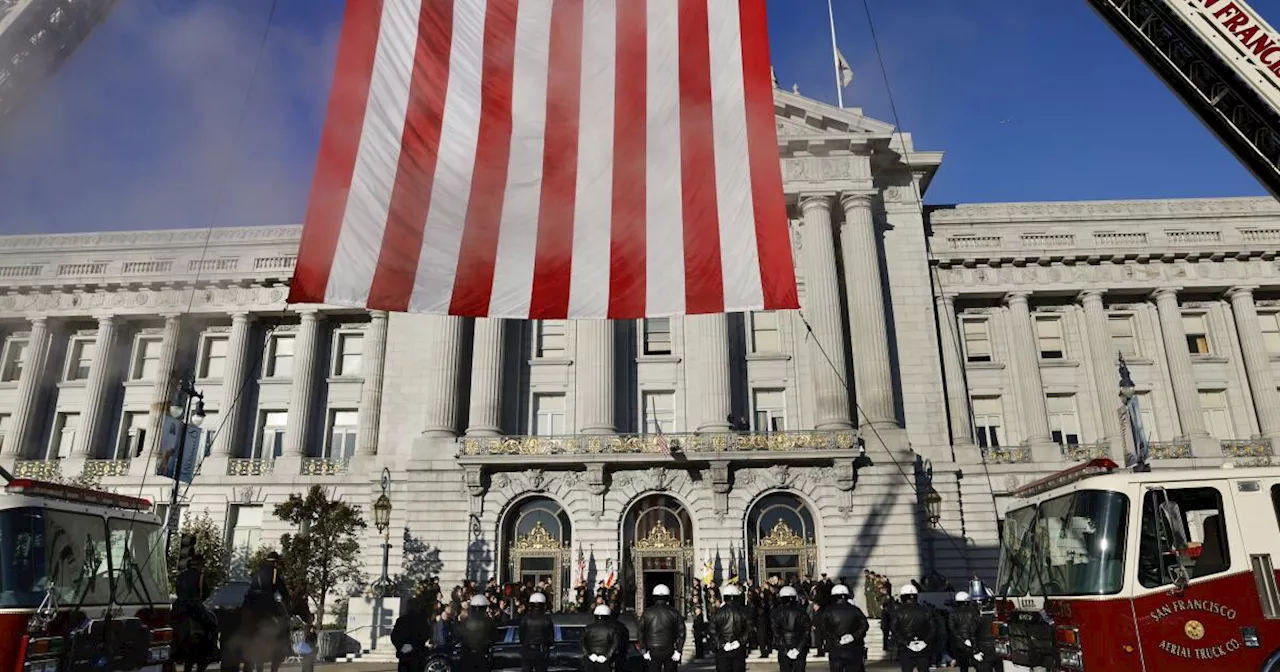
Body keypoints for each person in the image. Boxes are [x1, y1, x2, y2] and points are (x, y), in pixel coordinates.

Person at [816, 584, 868, 672]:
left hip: (836, 649)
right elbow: (864, 626)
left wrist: (836, 639)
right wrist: (853, 636)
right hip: (854, 649)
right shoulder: (855, 610)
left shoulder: (828, 611)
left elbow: (823, 629)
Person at [638, 584, 684, 672]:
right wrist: (678, 650)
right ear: (668, 598)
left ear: (654, 597)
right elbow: (682, 633)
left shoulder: (647, 612)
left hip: (652, 650)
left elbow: (640, 632)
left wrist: (644, 649)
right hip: (670, 649)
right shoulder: (674, 612)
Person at [709, 584, 753, 672]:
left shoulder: (718, 612)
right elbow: (749, 629)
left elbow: (712, 630)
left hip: (723, 650)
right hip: (738, 649)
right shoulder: (744, 612)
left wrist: (722, 643)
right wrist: (740, 641)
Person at [890, 585, 933, 672]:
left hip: (905, 648)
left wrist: (906, 642)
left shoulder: (898, 611)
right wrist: (925, 641)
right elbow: (932, 628)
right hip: (923, 648)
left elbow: (894, 629)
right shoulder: (925, 610)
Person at [770, 586, 811, 672]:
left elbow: (776, 633)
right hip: (799, 646)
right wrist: (798, 649)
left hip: (784, 648)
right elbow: (807, 632)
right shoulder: (801, 612)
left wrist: (785, 649)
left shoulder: (777, 612)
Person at [456, 594, 500, 672]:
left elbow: (457, 635)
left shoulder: (464, 621)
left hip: (467, 656)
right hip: (483, 656)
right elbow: (495, 637)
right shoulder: (488, 621)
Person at [391, 597, 432, 672]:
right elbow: (426, 634)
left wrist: (401, 646)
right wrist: (415, 644)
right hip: (417, 652)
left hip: (405, 653)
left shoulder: (401, 620)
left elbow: (394, 636)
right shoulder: (421, 620)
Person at [519, 592, 555, 672]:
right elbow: (551, 639)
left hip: (527, 650)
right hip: (541, 651)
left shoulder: (525, 618)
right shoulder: (547, 619)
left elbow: (521, 636)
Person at [582, 605, 623, 672]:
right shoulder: (612, 629)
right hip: (606, 661)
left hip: (591, 660)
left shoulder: (588, 628)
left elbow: (582, 642)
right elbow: (615, 644)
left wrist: (589, 654)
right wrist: (607, 656)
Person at [947, 592, 979, 672]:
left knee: (963, 666)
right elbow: (977, 626)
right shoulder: (974, 611)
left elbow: (952, 629)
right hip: (974, 641)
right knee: (979, 665)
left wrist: (963, 639)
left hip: (959, 644)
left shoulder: (953, 613)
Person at [970, 593, 998, 672]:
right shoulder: (997, 614)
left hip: (983, 648)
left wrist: (975, 651)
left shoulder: (977, 616)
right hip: (998, 648)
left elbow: (972, 634)